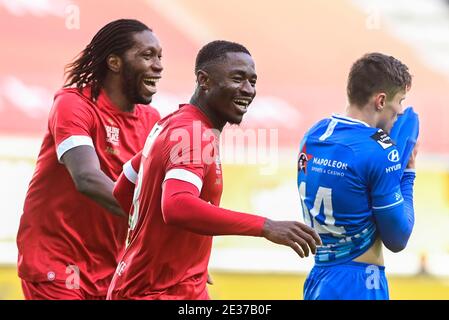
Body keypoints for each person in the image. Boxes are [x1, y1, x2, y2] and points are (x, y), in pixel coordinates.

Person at [107, 40, 322, 300]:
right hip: (157, 293)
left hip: (170, 286)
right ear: (204, 80)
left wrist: (184, 259)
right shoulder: (193, 133)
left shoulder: (171, 125)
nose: (248, 90)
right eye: (237, 78)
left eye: (252, 81)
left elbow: (123, 188)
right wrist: (265, 226)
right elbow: (176, 205)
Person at [16, 19, 163, 300]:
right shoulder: (74, 104)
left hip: (113, 268)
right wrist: (151, 220)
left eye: (159, 57)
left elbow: (160, 195)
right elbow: (86, 178)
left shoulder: (153, 122)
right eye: (147, 55)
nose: (158, 65)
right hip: (57, 264)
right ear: (114, 62)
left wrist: (177, 249)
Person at [297, 52, 418, 300]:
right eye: (400, 100)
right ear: (381, 101)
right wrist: (408, 173)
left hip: (319, 277)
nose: (401, 111)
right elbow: (398, 238)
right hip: (360, 282)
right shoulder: (379, 152)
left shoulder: (314, 135)